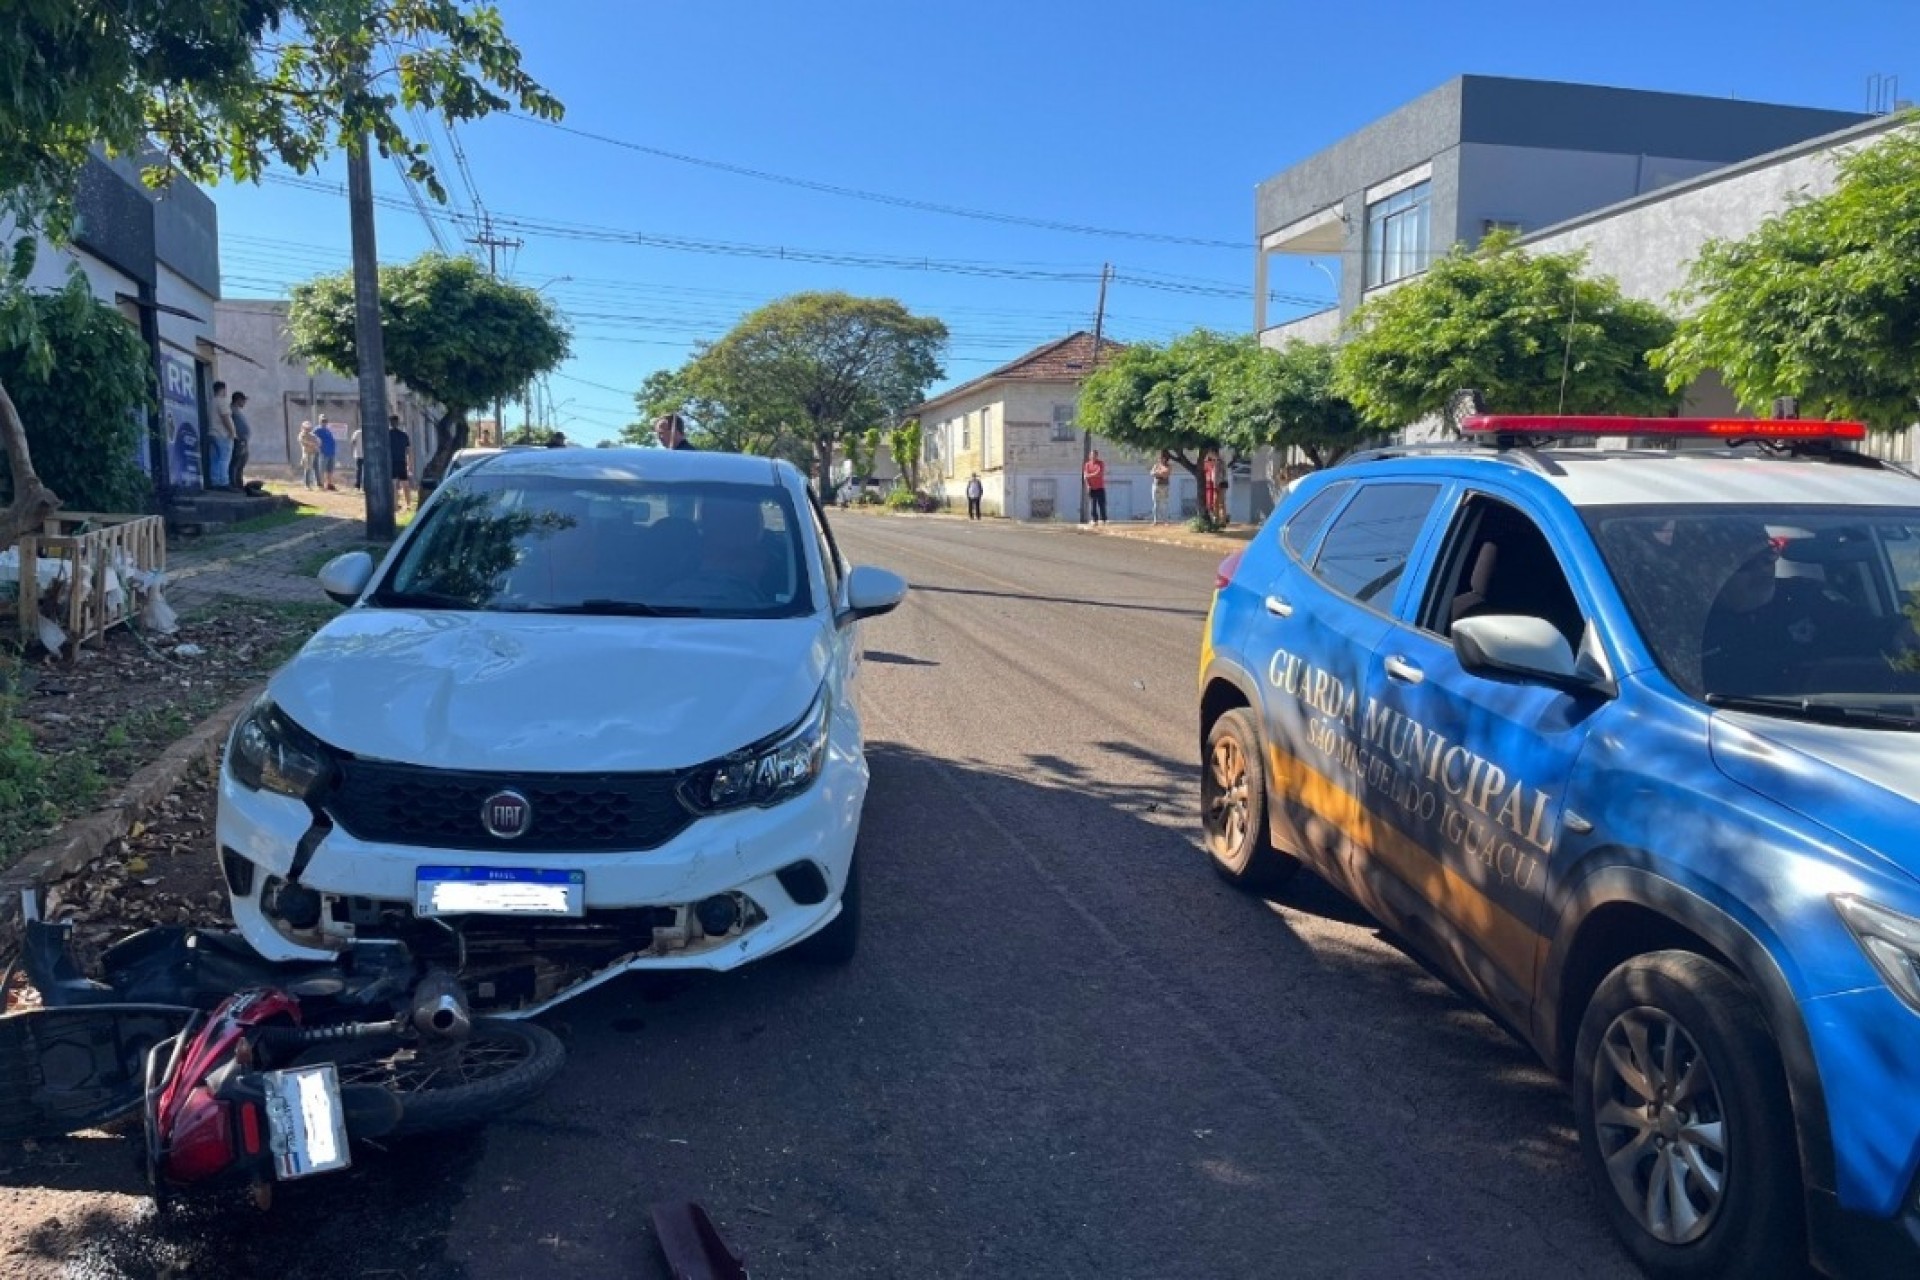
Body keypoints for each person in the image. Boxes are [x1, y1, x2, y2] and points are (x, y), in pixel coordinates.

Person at [208, 380, 236, 492]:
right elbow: (225, 417)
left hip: (212, 433)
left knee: (215, 459)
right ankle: (223, 482)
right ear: (223, 389)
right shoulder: (222, 401)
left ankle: (214, 481)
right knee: (224, 459)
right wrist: (232, 432)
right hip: (222, 434)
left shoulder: (211, 402)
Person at [389, 415, 414, 510]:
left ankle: (395, 505)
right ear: (397, 423)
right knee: (405, 484)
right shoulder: (403, 435)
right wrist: (410, 465)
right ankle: (409, 504)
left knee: (394, 484)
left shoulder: (387, 435)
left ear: (390, 423)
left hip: (392, 462)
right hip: (402, 461)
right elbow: (408, 451)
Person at [228, 391, 252, 490]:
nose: (244, 403)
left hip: (244, 441)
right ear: (238, 400)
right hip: (238, 440)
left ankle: (239, 483)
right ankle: (233, 483)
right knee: (236, 462)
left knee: (242, 463)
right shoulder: (231, 410)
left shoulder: (237, 410)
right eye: (243, 400)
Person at [313, 416, 338, 491]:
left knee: (330, 470)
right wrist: (318, 449)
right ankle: (320, 485)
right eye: (322, 421)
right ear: (319, 421)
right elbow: (313, 439)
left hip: (331, 453)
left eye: (325, 421)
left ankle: (329, 484)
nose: (324, 422)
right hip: (323, 453)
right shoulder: (317, 430)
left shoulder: (328, 430)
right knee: (321, 470)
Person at [1084, 449, 1108, 525]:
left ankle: (1103, 519)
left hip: (1100, 487)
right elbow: (1085, 476)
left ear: (1097, 456)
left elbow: (1099, 473)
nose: (1093, 456)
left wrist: (1089, 475)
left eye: (1094, 455)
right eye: (1091, 455)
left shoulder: (1100, 463)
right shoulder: (1087, 464)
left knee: (1102, 504)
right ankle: (1095, 520)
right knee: (1093, 505)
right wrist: (1088, 485)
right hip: (1092, 487)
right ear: (1090, 456)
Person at [1150, 451, 1172, 525]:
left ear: (1166, 459)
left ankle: (1165, 521)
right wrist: (1160, 473)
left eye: (1163, 458)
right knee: (1156, 503)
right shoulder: (1156, 465)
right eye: (1160, 458)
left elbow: (1166, 474)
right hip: (1156, 485)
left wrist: (1158, 473)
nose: (1161, 459)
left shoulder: (1168, 466)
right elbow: (1152, 473)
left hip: (1165, 486)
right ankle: (1155, 520)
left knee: (1164, 503)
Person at [297, 420, 320, 489]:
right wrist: (313, 444)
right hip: (307, 454)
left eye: (309, 428)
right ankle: (307, 485)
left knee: (316, 468)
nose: (308, 429)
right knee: (307, 469)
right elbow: (304, 442)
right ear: (303, 427)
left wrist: (315, 444)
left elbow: (318, 442)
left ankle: (318, 484)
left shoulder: (312, 435)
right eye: (306, 428)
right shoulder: (302, 435)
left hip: (315, 452)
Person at [1202, 450, 1220, 524]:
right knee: (1210, 501)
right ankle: (1212, 518)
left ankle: (1213, 517)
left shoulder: (1211, 464)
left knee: (1212, 501)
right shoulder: (1207, 464)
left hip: (1211, 484)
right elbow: (1211, 475)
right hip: (1209, 485)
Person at [349, 424, 364, 490]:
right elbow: (353, 442)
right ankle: (362, 485)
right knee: (363, 471)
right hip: (363, 455)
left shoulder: (357, 432)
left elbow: (353, 442)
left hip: (358, 454)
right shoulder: (358, 433)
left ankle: (358, 485)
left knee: (359, 471)